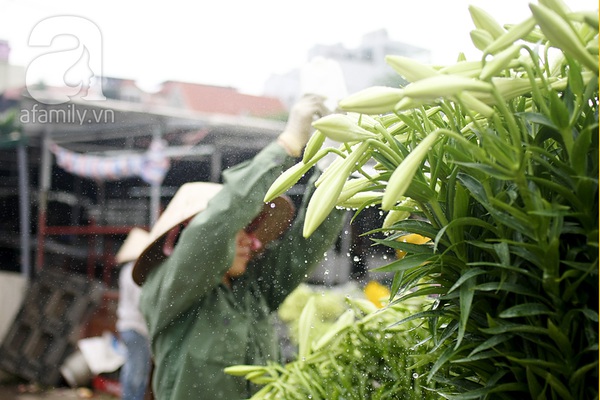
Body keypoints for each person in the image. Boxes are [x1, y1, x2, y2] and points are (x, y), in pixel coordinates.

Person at [132, 94, 346, 399]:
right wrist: (286, 147)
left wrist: (332, 168)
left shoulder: (251, 290)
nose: (249, 240)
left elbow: (304, 246)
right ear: (183, 237)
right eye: (239, 231)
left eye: (249, 231)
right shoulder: (169, 290)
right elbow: (213, 231)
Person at [115, 227, 152, 400]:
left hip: (128, 326)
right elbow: (142, 304)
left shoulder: (126, 271)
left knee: (132, 368)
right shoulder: (135, 272)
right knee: (137, 372)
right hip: (137, 327)